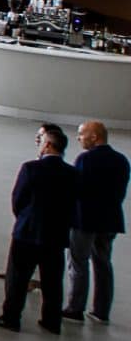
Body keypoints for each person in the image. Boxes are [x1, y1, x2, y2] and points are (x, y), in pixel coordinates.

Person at [0, 124, 78, 333]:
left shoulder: (31, 168)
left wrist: (24, 219)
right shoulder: (73, 174)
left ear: (47, 145)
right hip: (56, 236)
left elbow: (18, 199)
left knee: (17, 279)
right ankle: (51, 321)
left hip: (27, 233)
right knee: (53, 281)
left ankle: (11, 318)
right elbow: (74, 204)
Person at [63, 120, 125, 324]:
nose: (78, 138)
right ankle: (101, 311)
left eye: (81, 134)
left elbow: (75, 189)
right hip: (110, 221)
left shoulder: (85, 159)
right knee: (103, 264)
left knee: (78, 263)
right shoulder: (121, 160)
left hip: (85, 220)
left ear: (94, 137)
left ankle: (75, 308)